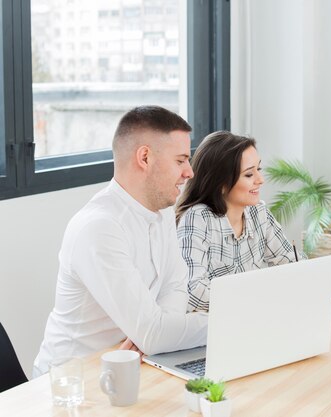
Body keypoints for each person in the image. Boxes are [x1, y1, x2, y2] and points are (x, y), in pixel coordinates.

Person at [33, 106, 207, 377]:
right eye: (181, 160)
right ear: (145, 157)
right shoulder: (99, 227)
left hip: (132, 364)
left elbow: (175, 285)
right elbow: (154, 333)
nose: (190, 172)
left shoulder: (160, 210)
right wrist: (223, 323)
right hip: (73, 382)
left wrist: (158, 332)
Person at [176, 131, 299, 312]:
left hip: (257, 317)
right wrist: (258, 296)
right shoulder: (198, 219)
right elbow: (193, 292)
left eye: (259, 169)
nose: (260, 180)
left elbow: (289, 262)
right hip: (217, 329)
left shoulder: (259, 212)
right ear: (222, 183)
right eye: (249, 175)